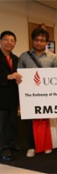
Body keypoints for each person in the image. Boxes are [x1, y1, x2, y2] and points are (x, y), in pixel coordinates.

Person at [18, 27, 57, 158]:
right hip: (30, 96)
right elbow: (19, 75)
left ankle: (48, 145)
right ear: (32, 41)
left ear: (46, 42)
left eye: (42, 40)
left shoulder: (53, 58)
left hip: (47, 95)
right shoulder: (24, 56)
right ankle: (32, 146)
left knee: (46, 119)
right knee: (30, 121)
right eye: (36, 40)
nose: (39, 43)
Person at [0, 31, 22, 161]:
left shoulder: (16, 59)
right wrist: (8, 77)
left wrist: (18, 80)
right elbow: (9, 76)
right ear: (1, 41)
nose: (9, 43)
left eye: (12, 40)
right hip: (1, 97)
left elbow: (17, 75)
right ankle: (3, 148)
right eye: (6, 40)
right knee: (1, 124)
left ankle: (12, 143)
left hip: (13, 97)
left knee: (12, 122)